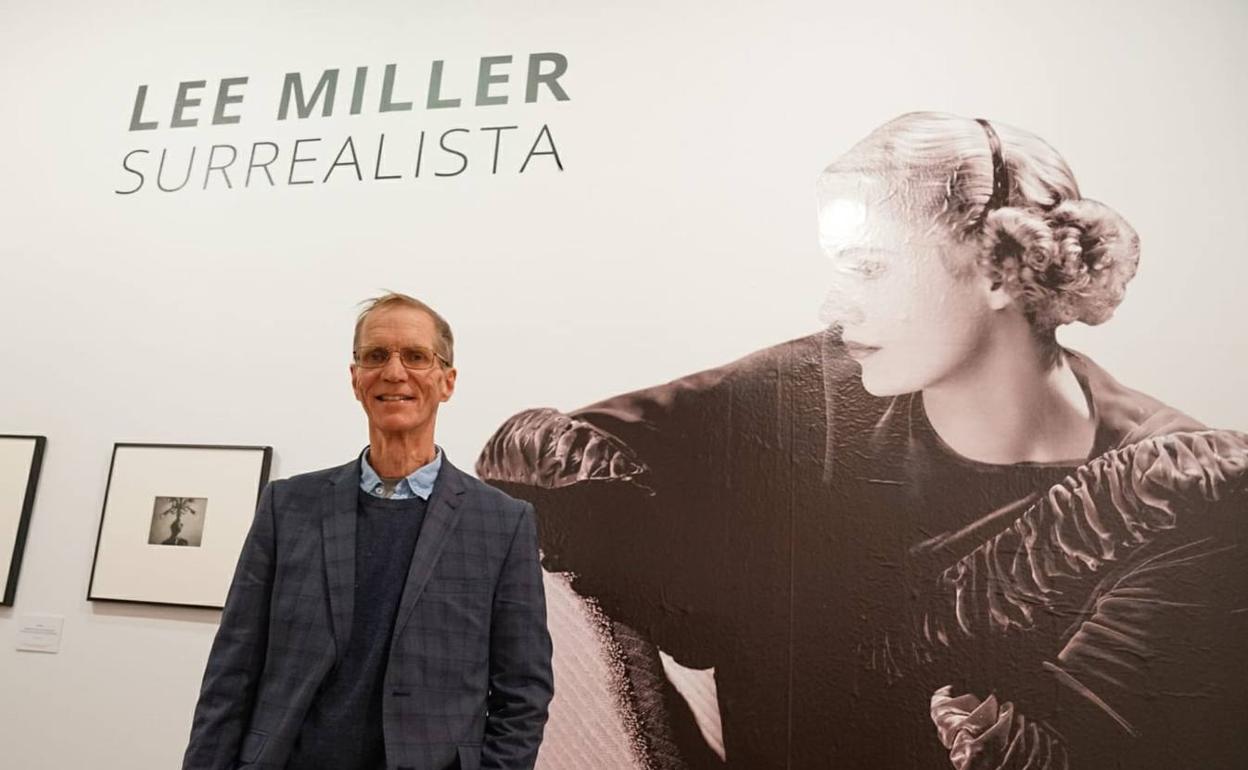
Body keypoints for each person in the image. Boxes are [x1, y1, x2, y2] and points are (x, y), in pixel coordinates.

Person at [476, 113, 1248, 769]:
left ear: (1000, 272)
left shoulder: (1186, 489)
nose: (837, 302)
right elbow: (541, 475)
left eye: (872, 267)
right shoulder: (799, 393)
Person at [185, 293, 553, 770]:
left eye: (416, 357)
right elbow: (231, 672)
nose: (394, 373)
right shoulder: (287, 506)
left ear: (447, 381)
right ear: (355, 378)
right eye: (375, 356)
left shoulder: (503, 523)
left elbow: (523, 691)